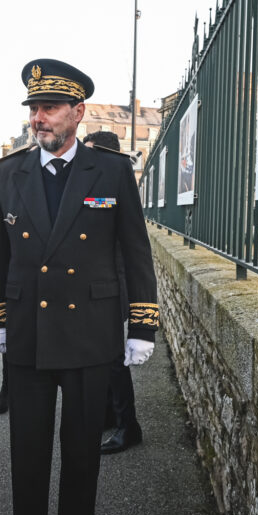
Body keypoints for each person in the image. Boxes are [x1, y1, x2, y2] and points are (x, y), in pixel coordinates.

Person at [0, 59, 159, 515]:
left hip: (90, 332)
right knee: (28, 451)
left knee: (82, 455)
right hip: (28, 333)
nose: (38, 118)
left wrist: (142, 327)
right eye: (34, 108)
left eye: (50, 107)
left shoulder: (111, 170)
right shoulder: (8, 173)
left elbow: (136, 251)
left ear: (77, 113)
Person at [81, 130, 144, 455]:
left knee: (114, 359)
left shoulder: (114, 183)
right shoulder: (96, 181)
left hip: (114, 282)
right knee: (103, 356)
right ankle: (109, 414)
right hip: (97, 284)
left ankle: (127, 425)